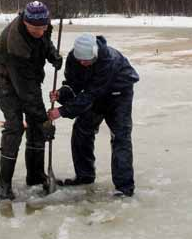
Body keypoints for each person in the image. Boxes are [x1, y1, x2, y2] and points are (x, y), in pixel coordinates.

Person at [48, 32, 139, 197]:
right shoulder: (73, 59)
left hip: (119, 95)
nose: (83, 63)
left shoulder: (108, 60)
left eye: (87, 61)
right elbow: (73, 85)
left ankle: (124, 188)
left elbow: (90, 94)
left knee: (120, 137)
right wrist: (61, 94)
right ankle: (85, 176)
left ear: (95, 53)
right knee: (82, 130)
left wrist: (62, 111)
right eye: (81, 60)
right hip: (95, 94)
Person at [0, 0, 62, 200]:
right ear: (25, 22)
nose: (39, 31)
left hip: (29, 73)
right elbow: (27, 92)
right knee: (15, 126)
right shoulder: (16, 44)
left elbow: (44, 41)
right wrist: (43, 120)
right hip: (6, 77)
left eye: (43, 27)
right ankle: (4, 184)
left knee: (36, 124)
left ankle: (35, 176)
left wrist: (52, 54)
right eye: (34, 29)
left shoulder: (41, 26)